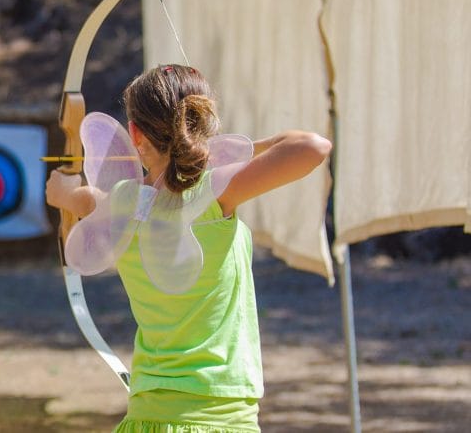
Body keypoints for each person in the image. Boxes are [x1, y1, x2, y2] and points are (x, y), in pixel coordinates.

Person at [45, 64, 332, 433]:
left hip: (146, 418)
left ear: (135, 134)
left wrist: (63, 192)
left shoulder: (122, 202)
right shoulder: (212, 194)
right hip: (220, 418)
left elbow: (80, 197)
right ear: (202, 124)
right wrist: (231, 150)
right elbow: (313, 146)